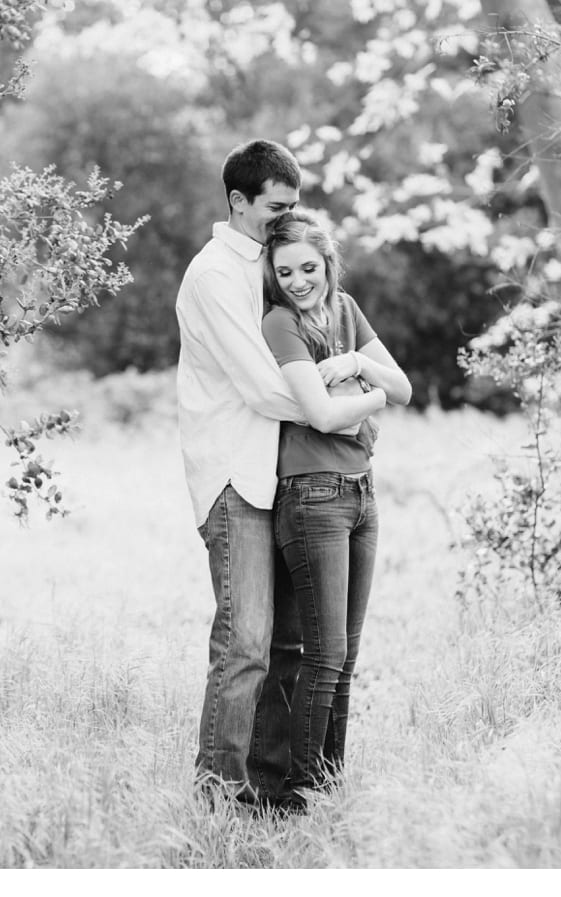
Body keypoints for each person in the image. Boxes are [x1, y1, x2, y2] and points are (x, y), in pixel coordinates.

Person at [175, 141, 381, 813]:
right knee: (246, 640)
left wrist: (344, 393)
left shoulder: (265, 265)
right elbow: (266, 391)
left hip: (283, 477)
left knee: (288, 642)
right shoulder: (213, 275)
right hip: (236, 470)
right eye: (276, 207)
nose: (287, 217)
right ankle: (217, 795)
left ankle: (265, 789)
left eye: (293, 205)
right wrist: (342, 414)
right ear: (238, 203)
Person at [259, 209, 412, 809]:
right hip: (312, 497)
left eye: (309, 267)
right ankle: (296, 791)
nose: (299, 280)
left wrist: (354, 368)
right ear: (273, 275)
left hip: (362, 494)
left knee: (346, 656)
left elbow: (403, 388)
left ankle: (328, 783)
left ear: (327, 263)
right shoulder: (279, 324)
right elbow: (322, 415)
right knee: (322, 656)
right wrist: (371, 399)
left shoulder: (345, 310)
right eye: (286, 270)